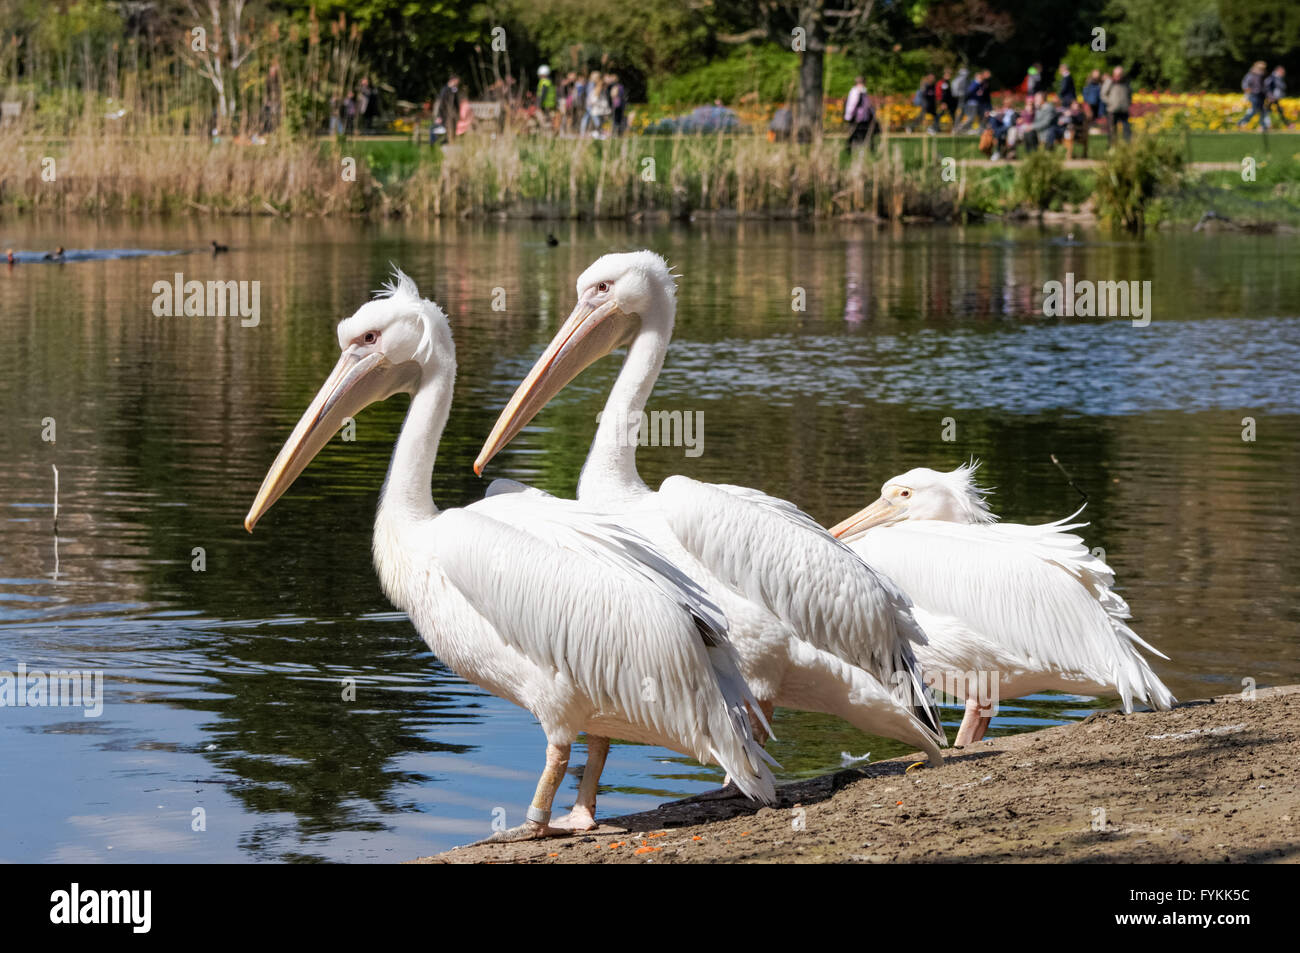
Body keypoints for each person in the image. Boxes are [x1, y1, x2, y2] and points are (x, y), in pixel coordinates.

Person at [843, 75, 877, 151]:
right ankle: (850, 148)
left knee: (862, 133)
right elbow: (852, 105)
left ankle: (861, 148)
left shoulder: (862, 92)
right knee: (855, 133)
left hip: (863, 117)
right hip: (856, 117)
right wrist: (849, 116)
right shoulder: (855, 92)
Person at [1101, 66, 1132, 143]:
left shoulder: (1126, 83)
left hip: (1124, 109)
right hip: (1112, 109)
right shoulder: (1109, 82)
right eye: (1116, 75)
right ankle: (1112, 146)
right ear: (1113, 74)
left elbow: (1129, 93)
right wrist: (1110, 102)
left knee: (1126, 128)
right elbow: (1103, 94)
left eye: (1120, 75)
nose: (1118, 77)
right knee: (1112, 129)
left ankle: (1127, 145)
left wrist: (1128, 102)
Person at [1237, 61, 1270, 130]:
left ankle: (1263, 126)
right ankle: (1242, 122)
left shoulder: (1263, 75)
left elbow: (1265, 86)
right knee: (1254, 110)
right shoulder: (1251, 75)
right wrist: (1248, 91)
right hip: (1254, 95)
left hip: (1261, 95)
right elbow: (1245, 84)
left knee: (1262, 110)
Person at [433, 74, 460, 145]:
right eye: (457, 82)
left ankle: (450, 141)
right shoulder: (445, 90)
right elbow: (441, 104)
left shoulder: (454, 90)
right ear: (452, 80)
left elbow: (456, 103)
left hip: (452, 114)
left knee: (452, 128)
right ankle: (443, 142)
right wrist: (439, 116)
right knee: (445, 128)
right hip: (445, 114)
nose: (457, 84)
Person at [581, 71, 610, 136]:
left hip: (594, 105)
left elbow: (595, 95)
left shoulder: (596, 84)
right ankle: (598, 132)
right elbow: (594, 95)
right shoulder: (594, 84)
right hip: (594, 105)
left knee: (593, 119)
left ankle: (596, 132)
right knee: (594, 119)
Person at [536, 65, 556, 131]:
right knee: (549, 118)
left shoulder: (544, 82)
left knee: (543, 118)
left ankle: (545, 130)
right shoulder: (550, 81)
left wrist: (538, 104)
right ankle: (550, 130)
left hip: (545, 103)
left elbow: (543, 94)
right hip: (550, 103)